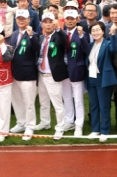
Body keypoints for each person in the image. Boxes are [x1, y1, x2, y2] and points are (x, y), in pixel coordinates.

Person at [34, 11, 69, 140]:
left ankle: (60, 127)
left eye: (50, 22)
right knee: (43, 101)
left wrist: (59, 28)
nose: (48, 25)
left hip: (52, 75)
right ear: (42, 24)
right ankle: (45, 122)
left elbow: (64, 41)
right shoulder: (41, 37)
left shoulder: (58, 36)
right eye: (45, 22)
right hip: (41, 74)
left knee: (57, 103)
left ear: (54, 23)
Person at [8, 10, 40, 140]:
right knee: (17, 100)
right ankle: (21, 122)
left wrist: (31, 35)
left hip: (28, 74)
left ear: (29, 20)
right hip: (15, 72)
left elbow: (38, 49)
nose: (21, 21)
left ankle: (30, 126)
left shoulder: (34, 34)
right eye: (19, 18)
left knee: (29, 102)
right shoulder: (14, 34)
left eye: (23, 18)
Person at [85, 21, 117, 142]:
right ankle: (95, 129)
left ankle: (104, 130)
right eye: (93, 31)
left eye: (98, 30)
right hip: (91, 77)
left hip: (103, 78)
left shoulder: (108, 44)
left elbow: (114, 50)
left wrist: (113, 34)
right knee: (93, 105)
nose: (96, 32)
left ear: (103, 31)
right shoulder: (90, 45)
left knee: (104, 105)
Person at [61, 8, 89, 136]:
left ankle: (79, 124)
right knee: (66, 97)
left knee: (78, 99)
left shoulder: (82, 33)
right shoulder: (62, 33)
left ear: (77, 20)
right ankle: (69, 120)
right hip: (64, 70)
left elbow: (86, 49)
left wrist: (82, 36)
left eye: (72, 19)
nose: (70, 21)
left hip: (77, 70)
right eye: (67, 19)